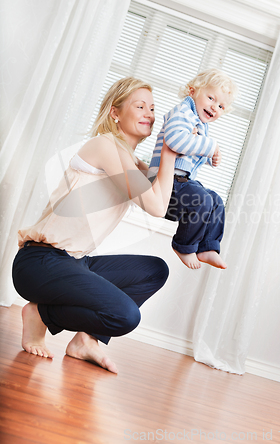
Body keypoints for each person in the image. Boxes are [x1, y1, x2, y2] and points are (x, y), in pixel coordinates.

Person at [12, 76, 177, 373]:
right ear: (115, 112)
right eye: (140, 106)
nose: (149, 114)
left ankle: (85, 341)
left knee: (154, 270)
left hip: (75, 263)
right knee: (125, 316)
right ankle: (40, 314)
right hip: (40, 262)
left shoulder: (133, 163)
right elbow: (156, 205)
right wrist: (168, 151)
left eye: (152, 108)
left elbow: (164, 200)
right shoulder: (104, 146)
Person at [148, 69, 237, 270]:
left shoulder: (199, 121)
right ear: (192, 91)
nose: (215, 107)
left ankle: (207, 247)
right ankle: (184, 245)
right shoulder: (183, 113)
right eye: (211, 98)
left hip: (181, 182)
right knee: (202, 199)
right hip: (164, 183)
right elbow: (174, 140)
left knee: (215, 200)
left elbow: (189, 150)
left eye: (221, 105)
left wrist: (210, 156)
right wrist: (209, 146)